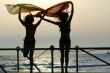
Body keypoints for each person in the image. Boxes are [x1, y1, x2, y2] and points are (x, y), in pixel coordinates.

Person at [40, 1, 74, 73]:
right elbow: (49, 21)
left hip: (67, 40)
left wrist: (72, 5)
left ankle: (66, 69)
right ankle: (62, 69)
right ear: (61, 17)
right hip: (62, 40)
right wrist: (42, 18)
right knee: (62, 55)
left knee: (66, 55)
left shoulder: (68, 22)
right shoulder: (60, 23)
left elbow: (72, 14)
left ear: (65, 17)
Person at [18, 7, 45, 73]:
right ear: (28, 20)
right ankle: (23, 51)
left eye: (31, 19)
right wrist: (19, 10)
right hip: (26, 41)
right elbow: (19, 19)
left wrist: (43, 15)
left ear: (32, 20)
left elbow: (40, 20)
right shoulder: (26, 25)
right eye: (29, 19)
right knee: (25, 55)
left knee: (31, 56)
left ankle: (31, 69)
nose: (30, 21)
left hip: (32, 42)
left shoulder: (34, 26)